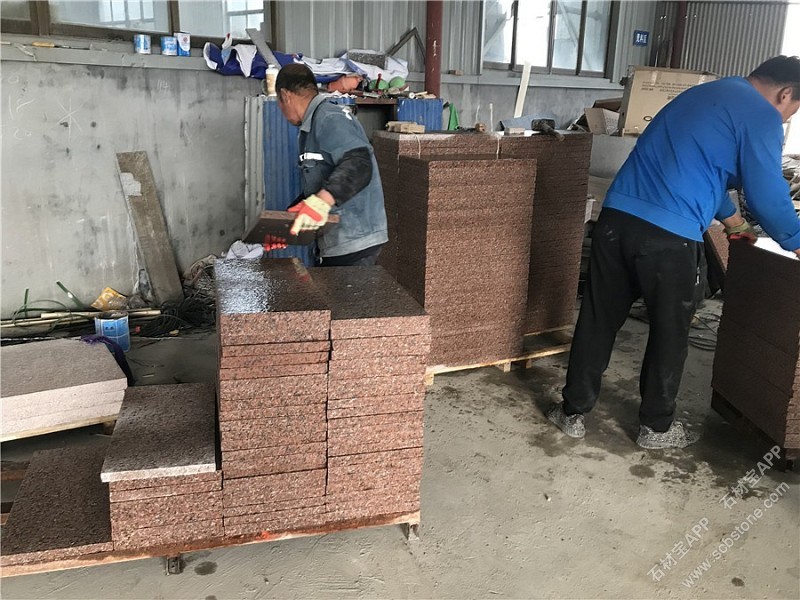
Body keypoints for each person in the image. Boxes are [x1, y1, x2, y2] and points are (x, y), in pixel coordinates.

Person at [547, 55, 800, 449]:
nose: (786, 119)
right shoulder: (761, 114)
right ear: (785, 94)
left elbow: (701, 169)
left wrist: (734, 222)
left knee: (598, 319)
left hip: (616, 221)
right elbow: (768, 195)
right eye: (792, 111)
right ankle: (656, 428)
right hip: (670, 238)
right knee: (670, 331)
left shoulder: (701, 96)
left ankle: (572, 412)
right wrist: (796, 240)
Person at [265, 63, 388, 267]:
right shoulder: (311, 126)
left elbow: (359, 164)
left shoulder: (329, 118)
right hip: (337, 241)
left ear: (285, 96)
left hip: (354, 240)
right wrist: (288, 223)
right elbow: (325, 181)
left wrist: (320, 202)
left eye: (279, 102)